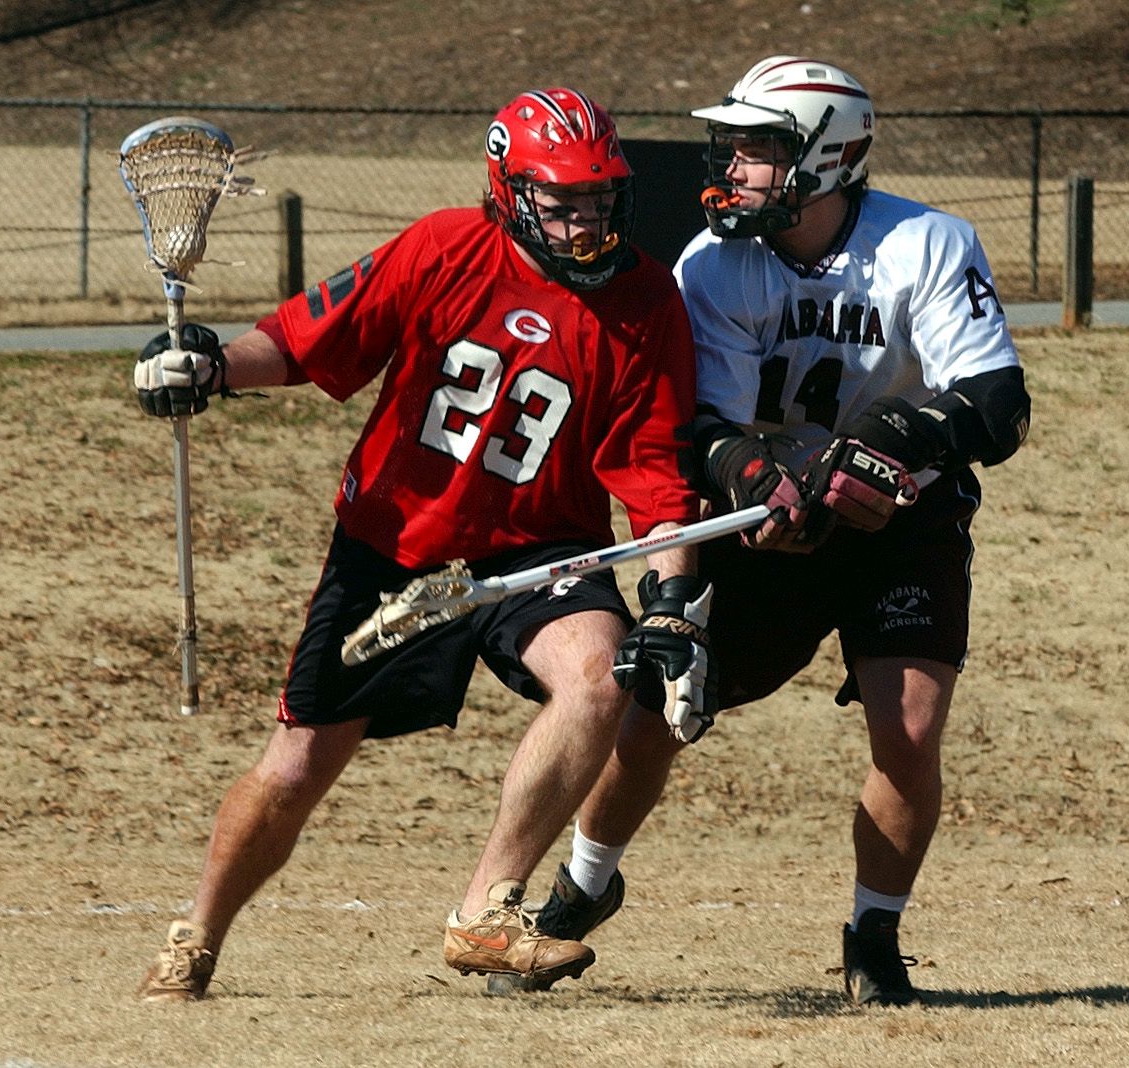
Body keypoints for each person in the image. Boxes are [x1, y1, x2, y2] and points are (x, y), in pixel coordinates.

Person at [133, 87, 720, 1001]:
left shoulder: (647, 300)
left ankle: (486, 911)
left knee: (600, 675)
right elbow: (303, 342)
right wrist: (209, 367)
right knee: (295, 769)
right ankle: (197, 935)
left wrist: (674, 599)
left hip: (540, 549)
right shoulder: (444, 247)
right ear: (510, 193)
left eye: (601, 198)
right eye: (563, 202)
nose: (587, 222)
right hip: (396, 548)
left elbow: (655, 474)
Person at [517, 57, 1032, 1006]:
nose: (734, 167)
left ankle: (873, 939)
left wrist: (894, 440)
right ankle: (584, 886)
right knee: (660, 704)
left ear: (829, 155)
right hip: (766, 517)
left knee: (910, 730)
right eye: (733, 146)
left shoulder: (929, 243)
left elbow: (998, 404)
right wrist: (754, 477)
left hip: (900, 520)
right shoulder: (714, 264)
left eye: (758, 148)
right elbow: (698, 422)